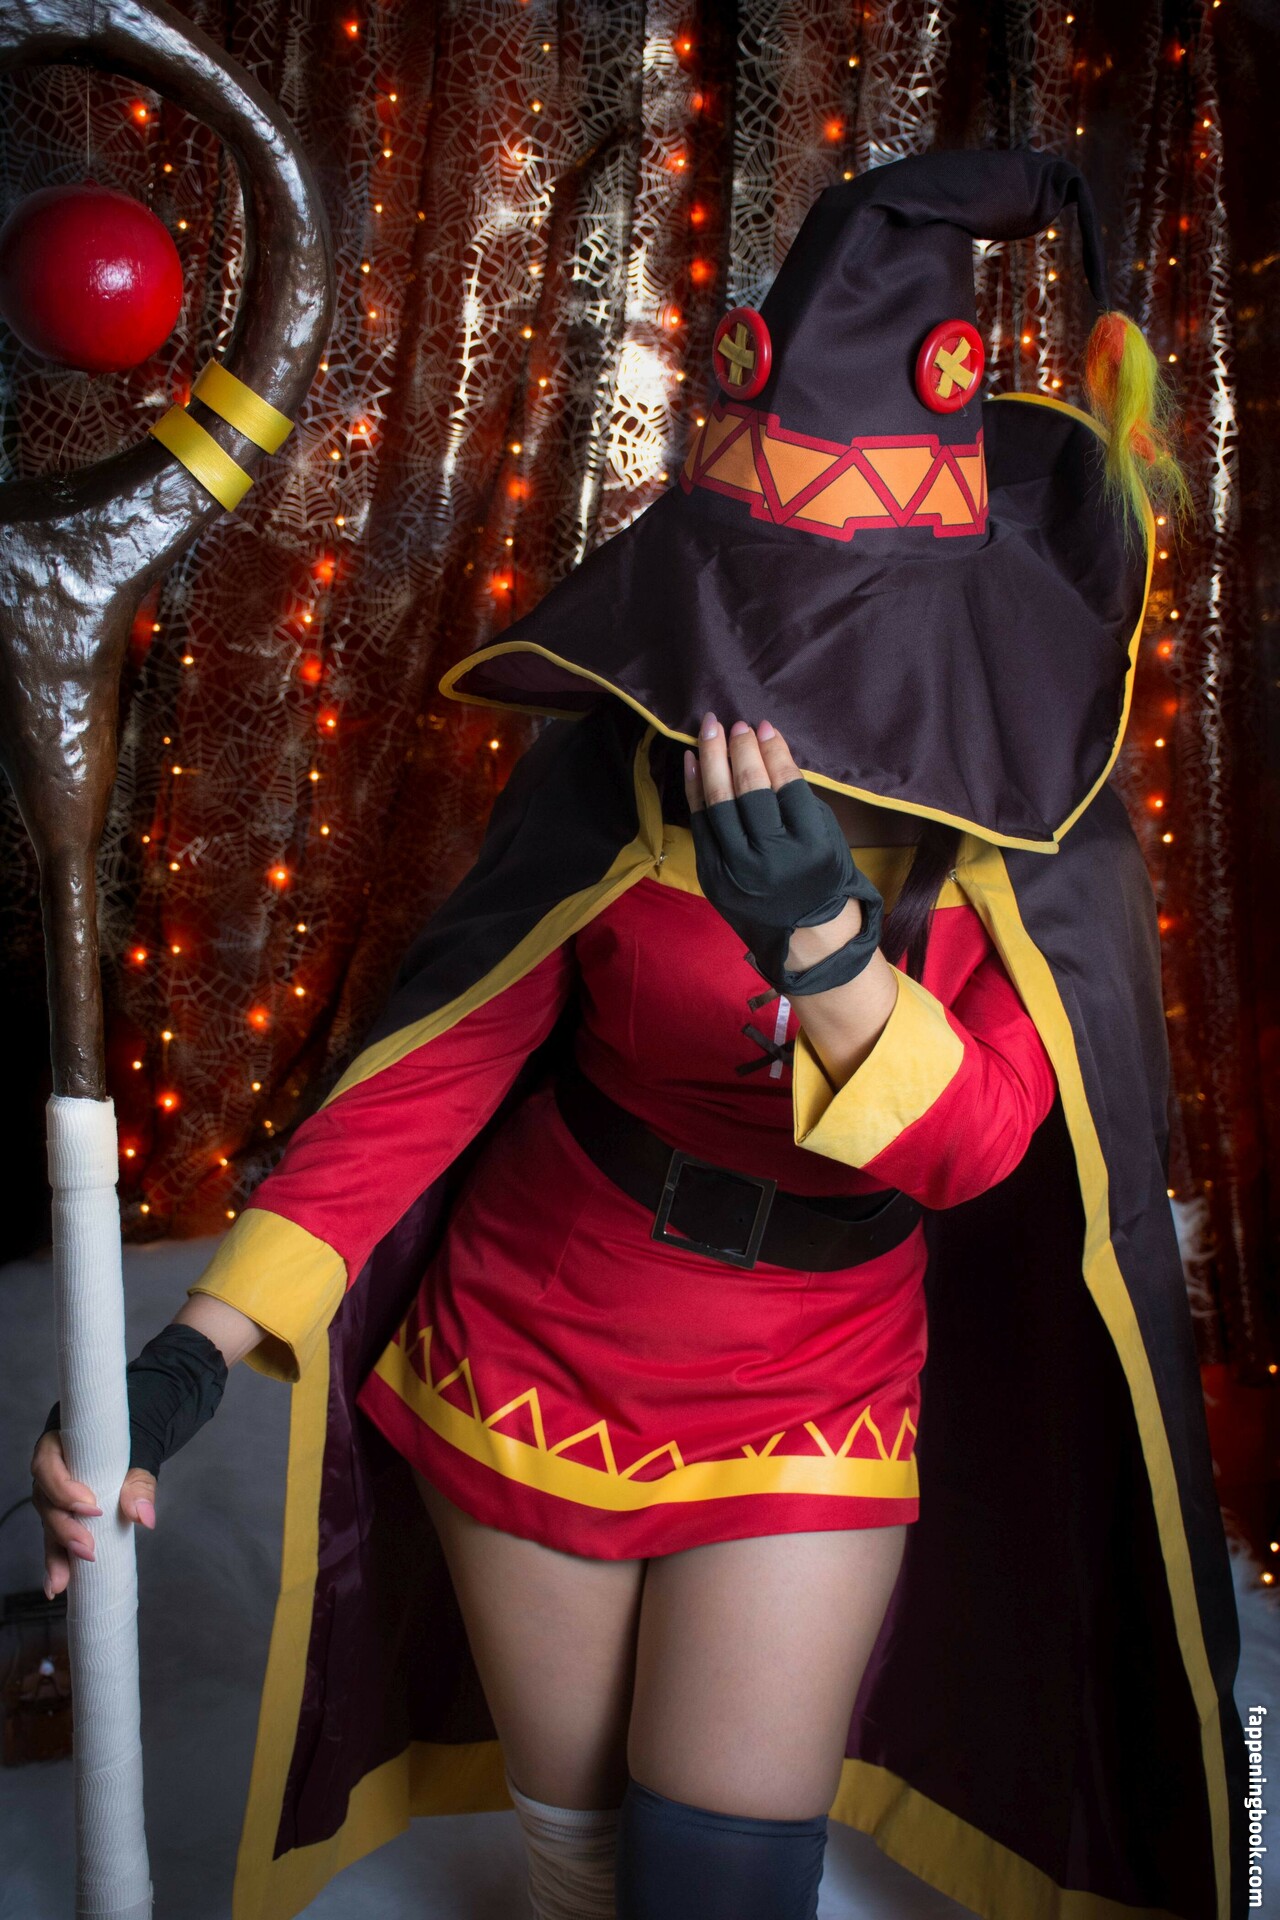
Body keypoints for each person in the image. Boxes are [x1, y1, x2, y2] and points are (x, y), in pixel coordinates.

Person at [32, 149, 1249, 1920]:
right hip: (536, 1343)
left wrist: (829, 951)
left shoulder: (1020, 824)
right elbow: (428, 1082)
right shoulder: (618, 767)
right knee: (585, 1874)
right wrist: (191, 1358)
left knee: (718, 1894)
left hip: (819, 1373)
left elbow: (983, 1147)